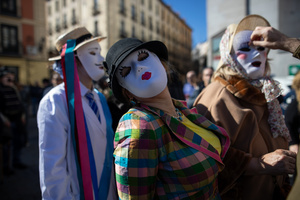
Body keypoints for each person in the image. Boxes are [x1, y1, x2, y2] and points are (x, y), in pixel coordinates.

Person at [104, 38, 230, 199]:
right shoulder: (137, 127)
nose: (140, 68)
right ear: (126, 91)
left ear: (161, 63)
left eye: (143, 57)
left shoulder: (182, 110)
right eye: (126, 71)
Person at [193, 15, 296, 200]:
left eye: (261, 48)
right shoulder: (217, 96)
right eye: (245, 48)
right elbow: (203, 157)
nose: (256, 54)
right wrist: (258, 164)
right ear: (228, 55)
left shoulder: (265, 93)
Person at [37, 27, 117, 199]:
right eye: (93, 53)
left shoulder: (99, 98)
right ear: (74, 60)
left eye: (99, 52)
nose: (101, 58)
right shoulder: (55, 101)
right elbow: (52, 167)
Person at [0, 67, 27, 175]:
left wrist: (23, 116)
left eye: (11, 78)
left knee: (18, 141)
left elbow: (21, 102)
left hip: (17, 118)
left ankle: (16, 161)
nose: (10, 80)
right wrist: (4, 120)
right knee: (7, 145)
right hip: (6, 120)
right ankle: (6, 166)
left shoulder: (14, 88)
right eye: (7, 78)